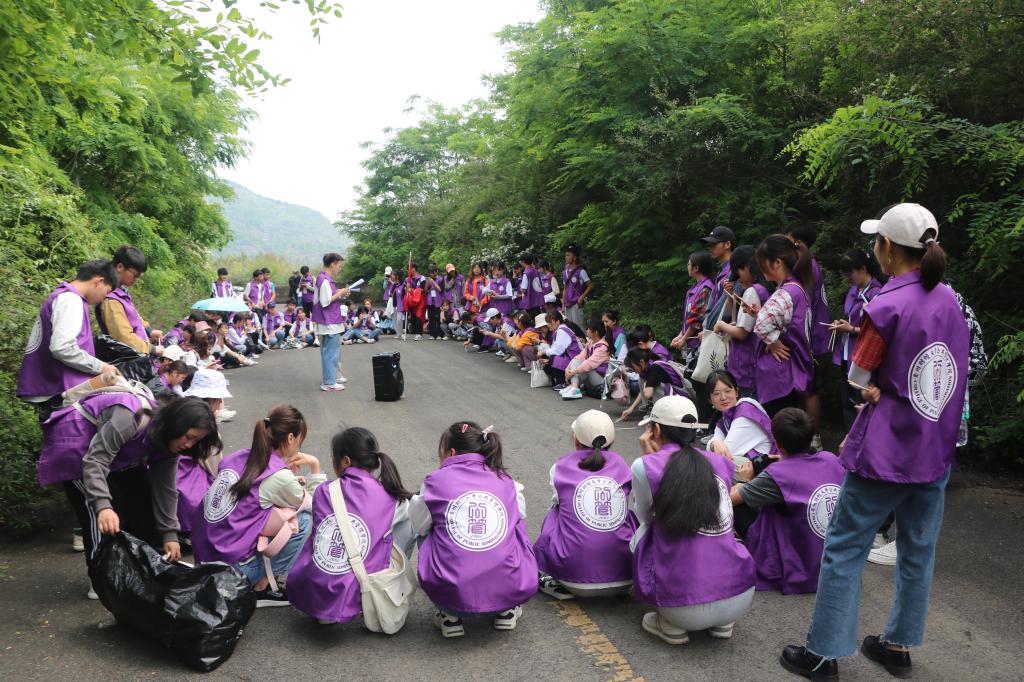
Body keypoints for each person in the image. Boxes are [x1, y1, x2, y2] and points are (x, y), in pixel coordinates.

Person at [780, 203, 969, 681]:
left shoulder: (885, 305)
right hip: (936, 446)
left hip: (887, 450)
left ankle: (822, 653)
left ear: (886, 248)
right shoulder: (951, 301)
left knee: (845, 546)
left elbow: (859, 375)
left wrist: (873, 388)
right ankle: (897, 646)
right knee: (917, 550)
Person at [39, 394, 220, 574]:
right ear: (176, 424)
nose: (189, 445)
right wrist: (103, 507)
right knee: (104, 515)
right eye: (188, 437)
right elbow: (96, 461)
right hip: (77, 447)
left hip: (114, 454)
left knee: (142, 504)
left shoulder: (169, 443)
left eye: (196, 441)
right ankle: (102, 577)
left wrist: (170, 535)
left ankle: (138, 572)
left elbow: (166, 489)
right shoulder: (129, 416)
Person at [631, 395, 755, 645]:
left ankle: (670, 625)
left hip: (682, 607)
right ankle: (722, 623)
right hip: (740, 595)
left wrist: (649, 459)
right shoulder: (721, 462)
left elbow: (644, 517)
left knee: (640, 533)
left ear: (655, 430)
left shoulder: (645, 465)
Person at [410, 422, 538, 638]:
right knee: (515, 525)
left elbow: (419, 525)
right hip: (509, 590)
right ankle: (506, 611)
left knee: (427, 530)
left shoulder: (434, 481)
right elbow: (520, 515)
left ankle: (449, 616)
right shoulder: (507, 481)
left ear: (451, 453)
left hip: (452, 596)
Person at [193, 405, 324, 607]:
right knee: (303, 520)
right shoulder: (278, 476)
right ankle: (262, 586)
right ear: (291, 438)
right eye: (300, 440)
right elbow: (315, 504)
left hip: (203, 560)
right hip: (231, 574)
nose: (299, 445)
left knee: (275, 510)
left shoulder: (238, 457)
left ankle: (257, 578)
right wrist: (314, 465)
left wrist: (286, 478)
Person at [288, 427, 417, 625]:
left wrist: (315, 466)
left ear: (346, 461)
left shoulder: (325, 490)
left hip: (312, 591)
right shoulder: (390, 497)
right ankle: (386, 588)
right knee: (406, 524)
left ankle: (327, 606)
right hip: (357, 590)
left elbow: (312, 504)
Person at [731, 408, 844, 594]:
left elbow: (729, 500)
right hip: (836, 564)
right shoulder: (831, 459)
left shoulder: (777, 474)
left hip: (802, 569)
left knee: (738, 504)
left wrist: (744, 480)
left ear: (777, 444)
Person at [534, 410, 636, 599]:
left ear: (576, 439)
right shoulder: (623, 466)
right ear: (612, 441)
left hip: (572, 579)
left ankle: (552, 579)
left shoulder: (559, 467)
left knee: (556, 512)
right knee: (630, 514)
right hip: (627, 575)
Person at [17, 259, 121, 416]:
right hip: (56, 386)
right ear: (99, 282)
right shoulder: (71, 300)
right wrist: (101, 367)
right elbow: (62, 348)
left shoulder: (66, 295)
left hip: (53, 385)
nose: (102, 299)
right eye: (106, 293)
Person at [753, 235, 814, 416]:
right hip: (793, 371)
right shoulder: (798, 288)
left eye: (763, 262)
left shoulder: (785, 292)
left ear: (777, 262)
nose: (760, 267)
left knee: (780, 424)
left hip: (780, 375)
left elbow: (762, 324)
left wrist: (772, 342)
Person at [786, 222, 833, 449]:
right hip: (809, 334)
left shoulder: (806, 266)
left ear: (798, 242)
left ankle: (814, 438)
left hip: (809, 336)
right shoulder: (807, 264)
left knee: (809, 388)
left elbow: (803, 306)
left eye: (787, 239)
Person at [830, 249, 885, 428]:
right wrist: (842, 324)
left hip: (863, 357)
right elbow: (851, 317)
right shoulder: (853, 290)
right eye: (845, 274)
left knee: (862, 402)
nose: (847, 277)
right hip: (847, 354)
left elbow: (880, 332)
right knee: (847, 402)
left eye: (850, 273)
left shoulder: (877, 293)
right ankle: (850, 437)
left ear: (863, 269)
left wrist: (851, 329)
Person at [714, 246, 772, 398]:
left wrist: (721, 325)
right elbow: (740, 322)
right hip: (756, 365)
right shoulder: (764, 288)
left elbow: (742, 333)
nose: (738, 278)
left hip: (746, 367)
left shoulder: (752, 292)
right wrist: (730, 297)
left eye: (738, 271)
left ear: (747, 267)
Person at [178, 371, 231, 534]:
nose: (221, 402)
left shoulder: (179, 411)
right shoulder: (208, 429)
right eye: (219, 398)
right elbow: (215, 469)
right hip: (190, 492)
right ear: (212, 399)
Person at [96, 246, 164, 356]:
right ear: (120, 267)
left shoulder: (121, 291)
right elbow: (123, 337)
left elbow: (133, 315)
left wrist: (149, 330)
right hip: (124, 357)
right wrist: (152, 349)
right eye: (135, 275)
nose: (136, 279)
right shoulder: (111, 300)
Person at [705, 370, 774, 467]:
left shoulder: (745, 412)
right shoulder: (724, 418)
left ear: (736, 392)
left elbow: (726, 453)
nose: (723, 397)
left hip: (767, 469)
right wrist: (714, 443)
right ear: (710, 399)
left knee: (713, 463)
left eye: (728, 391)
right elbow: (714, 443)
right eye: (716, 394)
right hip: (754, 466)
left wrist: (714, 444)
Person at [312, 252, 351, 392]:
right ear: (332, 264)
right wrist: (340, 293)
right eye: (339, 265)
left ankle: (330, 379)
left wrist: (338, 291)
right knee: (331, 353)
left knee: (329, 352)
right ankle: (329, 382)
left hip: (327, 320)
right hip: (329, 321)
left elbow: (324, 297)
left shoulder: (323, 278)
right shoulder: (325, 280)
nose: (340, 268)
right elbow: (325, 301)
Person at [621, 348, 693, 420]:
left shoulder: (655, 368)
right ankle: (652, 411)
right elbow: (643, 391)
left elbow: (647, 394)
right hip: (677, 397)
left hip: (683, 399)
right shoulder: (649, 365)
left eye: (633, 367)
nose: (634, 371)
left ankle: (659, 415)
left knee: (651, 386)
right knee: (643, 380)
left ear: (641, 362)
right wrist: (631, 408)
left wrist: (646, 383)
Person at [670, 252, 716, 365]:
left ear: (696, 268)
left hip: (699, 345)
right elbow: (689, 319)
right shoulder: (694, 289)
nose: (687, 266)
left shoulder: (706, 289)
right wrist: (680, 335)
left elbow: (697, 321)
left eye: (689, 264)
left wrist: (684, 339)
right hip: (691, 344)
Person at [560, 319, 612, 400]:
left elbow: (588, 364)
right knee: (577, 361)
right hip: (594, 376)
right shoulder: (591, 342)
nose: (586, 331)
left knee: (586, 369)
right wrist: (567, 369)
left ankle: (574, 387)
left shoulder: (602, 347)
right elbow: (579, 357)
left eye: (588, 329)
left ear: (596, 332)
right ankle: (574, 387)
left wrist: (572, 372)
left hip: (602, 381)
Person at [700, 226, 737, 329]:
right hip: (715, 329)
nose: (710, 247)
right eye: (709, 244)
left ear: (727, 244)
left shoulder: (734, 271)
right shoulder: (721, 271)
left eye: (714, 244)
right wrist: (707, 326)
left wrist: (709, 326)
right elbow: (711, 306)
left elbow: (726, 308)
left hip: (725, 331)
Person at [540, 310, 582, 389]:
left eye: (550, 322)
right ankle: (561, 381)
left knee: (553, 358)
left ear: (557, 321)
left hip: (573, 359)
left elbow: (557, 351)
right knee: (547, 367)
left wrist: (544, 352)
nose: (548, 325)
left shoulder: (562, 331)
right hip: (569, 357)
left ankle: (562, 382)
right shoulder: (561, 330)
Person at [562, 244, 593, 327]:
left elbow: (590, 285)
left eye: (568, 255)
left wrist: (582, 297)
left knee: (578, 326)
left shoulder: (581, 271)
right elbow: (565, 289)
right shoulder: (565, 272)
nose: (566, 257)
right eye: (566, 255)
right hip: (567, 303)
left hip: (577, 303)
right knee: (569, 327)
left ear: (575, 257)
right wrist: (563, 305)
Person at [425, 265, 445, 339]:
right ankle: (432, 334)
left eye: (433, 273)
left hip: (438, 302)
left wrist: (433, 282)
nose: (431, 274)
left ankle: (439, 334)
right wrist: (427, 283)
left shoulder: (441, 279)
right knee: (431, 318)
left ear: (436, 272)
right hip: (430, 302)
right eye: (430, 273)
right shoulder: (428, 280)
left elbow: (440, 289)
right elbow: (425, 290)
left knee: (438, 319)